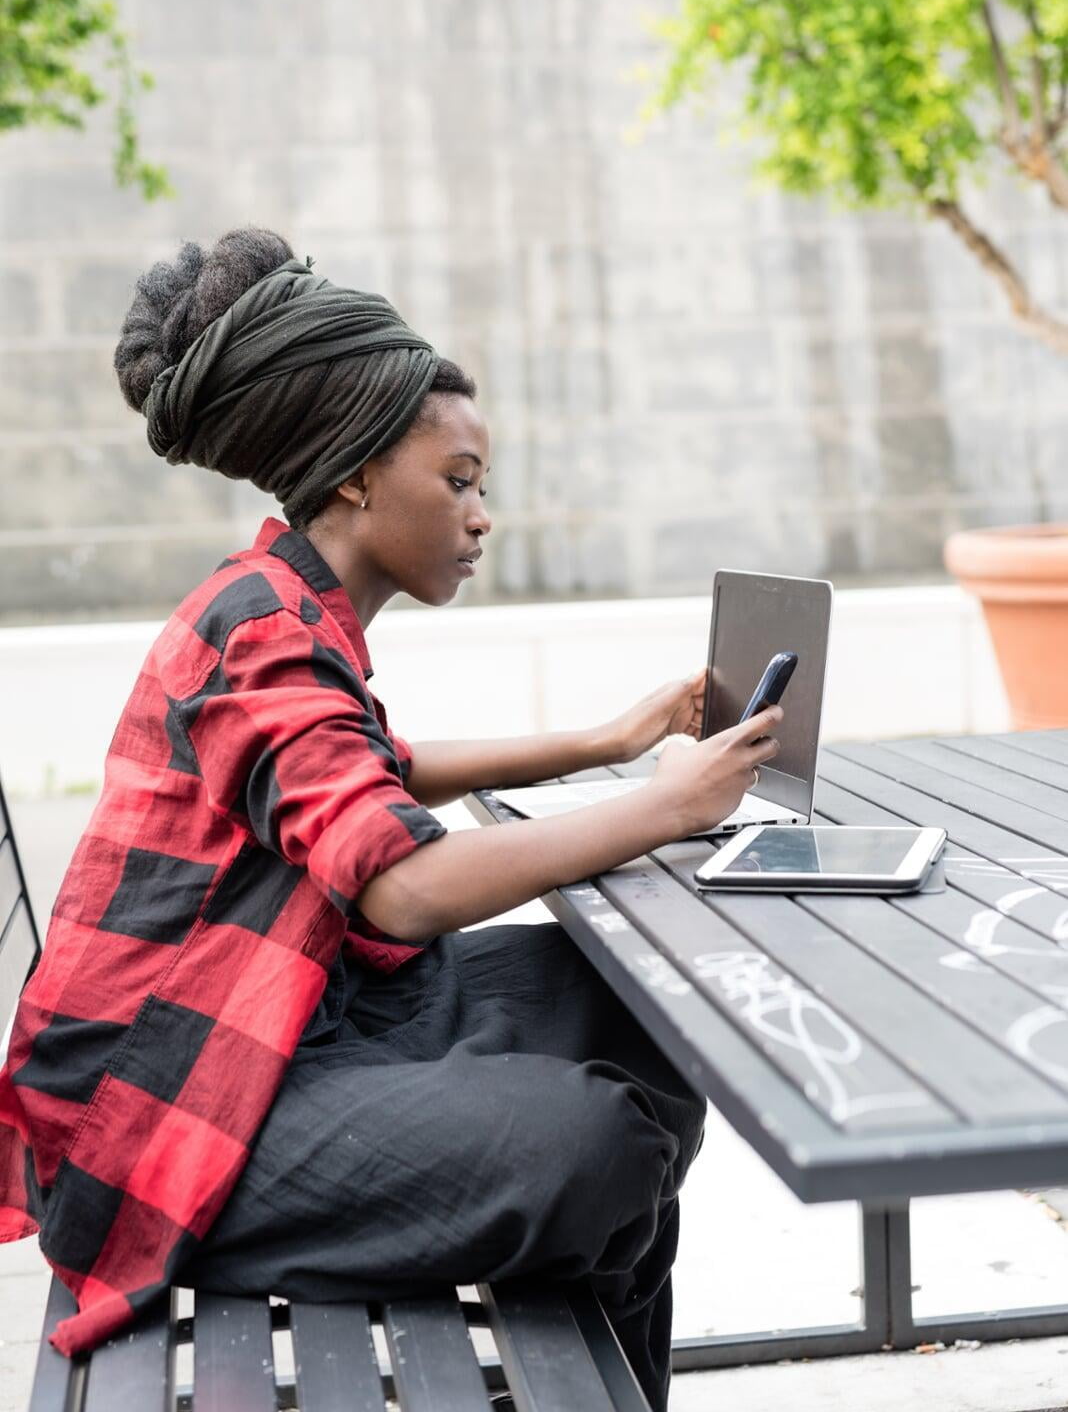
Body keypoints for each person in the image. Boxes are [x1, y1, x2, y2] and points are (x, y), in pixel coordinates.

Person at [0, 228, 781, 1411]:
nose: (480, 515)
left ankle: (599, 1352)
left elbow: (374, 769)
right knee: (595, 1146)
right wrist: (661, 804)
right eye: (458, 480)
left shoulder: (281, 610)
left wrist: (610, 742)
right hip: (158, 1116)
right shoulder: (256, 628)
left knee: (641, 1026)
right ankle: (567, 1326)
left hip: (279, 1020)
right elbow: (400, 884)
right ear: (358, 474)